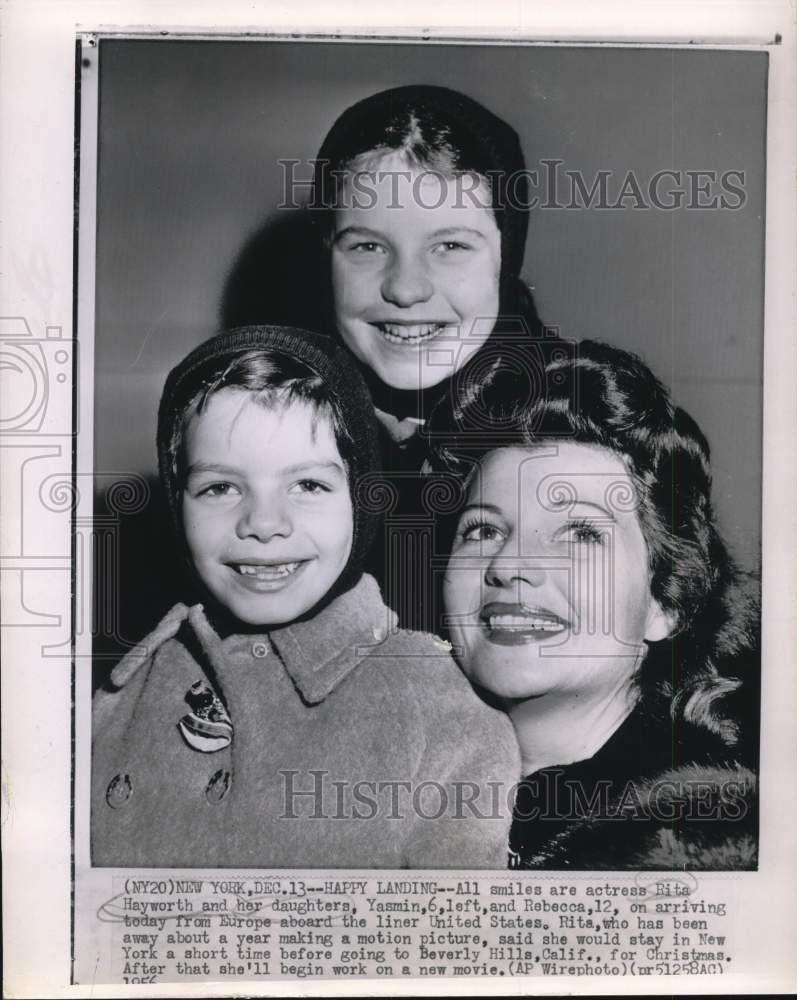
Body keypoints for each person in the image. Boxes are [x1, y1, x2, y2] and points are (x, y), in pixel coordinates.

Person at [91, 325, 520, 869]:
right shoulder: (113, 699)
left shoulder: (444, 716)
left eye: (309, 486)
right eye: (219, 488)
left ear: (362, 500)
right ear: (178, 505)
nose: (264, 524)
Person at [431, 339, 758, 869]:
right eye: (484, 529)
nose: (510, 564)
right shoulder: (393, 794)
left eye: (579, 533)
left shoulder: (703, 837)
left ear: (664, 602)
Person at [311, 84, 558, 629]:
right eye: (367, 246)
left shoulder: (581, 428)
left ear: (506, 256)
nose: (404, 289)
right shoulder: (285, 426)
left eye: (450, 246)